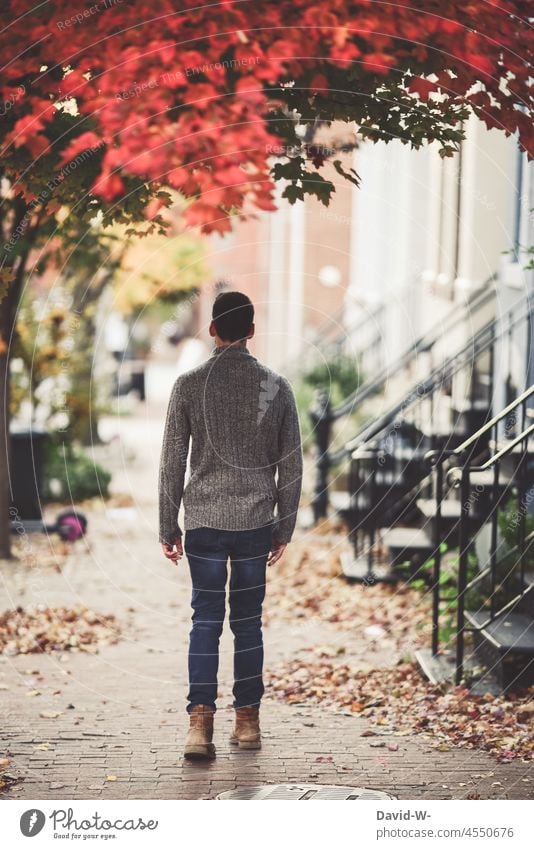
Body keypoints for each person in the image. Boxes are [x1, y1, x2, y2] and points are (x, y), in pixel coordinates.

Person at [158, 291, 303, 760]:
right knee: (248, 625)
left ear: (213, 329)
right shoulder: (277, 386)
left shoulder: (188, 385)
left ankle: (199, 727)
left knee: (205, 621)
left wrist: (168, 526)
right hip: (256, 522)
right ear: (252, 331)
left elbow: (171, 464)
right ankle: (248, 723)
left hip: (203, 520)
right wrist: (285, 526)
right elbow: (292, 464)